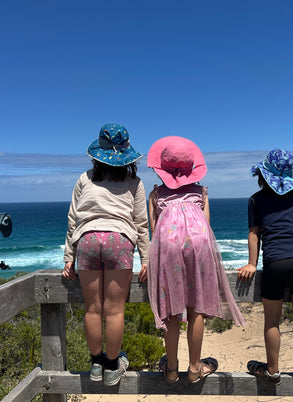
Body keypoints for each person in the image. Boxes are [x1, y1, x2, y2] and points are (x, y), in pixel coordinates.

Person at [146, 136, 245, 383]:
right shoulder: (201, 191)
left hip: (168, 248)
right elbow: (207, 226)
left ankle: (170, 369)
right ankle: (193, 368)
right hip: (199, 246)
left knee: (170, 310)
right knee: (196, 307)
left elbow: (154, 230)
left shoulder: (156, 194)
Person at [62, 124, 149, 386]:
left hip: (87, 240)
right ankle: (112, 367)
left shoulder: (85, 178)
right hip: (119, 241)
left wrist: (69, 256)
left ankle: (96, 364)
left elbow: (73, 219)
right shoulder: (134, 182)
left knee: (93, 308)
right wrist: (146, 259)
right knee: (114, 310)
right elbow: (141, 223)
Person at [237, 149, 293, 384]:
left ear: (263, 175)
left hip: (275, 262)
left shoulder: (255, 200)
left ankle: (273, 370)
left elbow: (254, 234)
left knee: (272, 320)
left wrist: (251, 264)